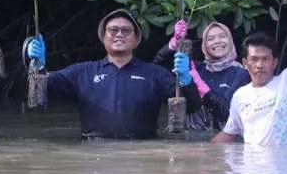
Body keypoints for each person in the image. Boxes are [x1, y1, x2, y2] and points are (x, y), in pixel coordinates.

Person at [24, 8, 200, 139]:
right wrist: (37, 65)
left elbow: (192, 107)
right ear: (103, 37)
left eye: (126, 31)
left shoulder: (155, 74)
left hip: (142, 154)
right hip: (94, 154)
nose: (119, 35)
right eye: (113, 30)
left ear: (136, 39)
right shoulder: (82, 72)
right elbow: (42, 91)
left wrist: (185, 79)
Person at [213, 0, 287, 145]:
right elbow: (229, 133)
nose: (259, 65)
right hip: (253, 165)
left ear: (275, 62)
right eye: (254, 60)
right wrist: (200, 154)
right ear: (245, 64)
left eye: (265, 59)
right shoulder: (240, 96)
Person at [153, 19, 251, 132]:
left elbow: (227, 112)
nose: (217, 41)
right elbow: (157, 69)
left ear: (230, 41)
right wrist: (174, 43)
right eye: (211, 39)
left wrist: (199, 84)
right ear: (205, 45)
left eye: (222, 36)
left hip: (222, 139)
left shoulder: (241, 73)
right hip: (192, 139)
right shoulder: (197, 68)